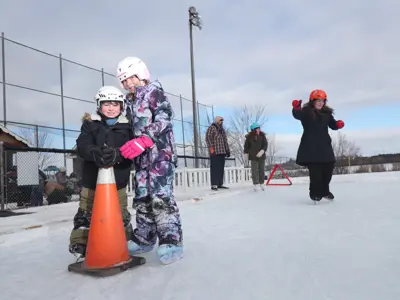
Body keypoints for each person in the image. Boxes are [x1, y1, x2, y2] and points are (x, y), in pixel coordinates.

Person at [116, 56, 183, 265]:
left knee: (160, 198)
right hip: (142, 158)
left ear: (142, 75)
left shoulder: (155, 92)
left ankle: (171, 240)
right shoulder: (129, 101)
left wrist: (146, 139)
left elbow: (164, 119)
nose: (128, 83)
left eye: (131, 78)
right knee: (142, 197)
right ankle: (144, 238)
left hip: (160, 155)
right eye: (124, 80)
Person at [68, 85, 134, 258]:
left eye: (115, 104)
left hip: (118, 180)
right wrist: (94, 152)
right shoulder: (90, 125)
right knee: (86, 211)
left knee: (119, 212)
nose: (111, 108)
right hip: (91, 180)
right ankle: (80, 243)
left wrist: (118, 154)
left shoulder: (128, 127)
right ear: (99, 105)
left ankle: (124, 240)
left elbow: (132, 150)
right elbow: (82, 145)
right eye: (106, 104)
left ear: (121, 106)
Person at [292, 89, 345, 203]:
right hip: (311, 147)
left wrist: (337, 124)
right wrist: (296, 108)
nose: (320, 103)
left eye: (322, 101)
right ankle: (315, 193)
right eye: (318, 100)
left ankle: (325, 191)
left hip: (324, 146)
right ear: (313, 101)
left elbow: (332, 124)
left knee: (329, 168)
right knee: (315, 172)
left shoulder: (327, 113)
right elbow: (298, 115)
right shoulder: (306, 112)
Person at [205, 116, 230, 191]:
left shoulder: (222, 130)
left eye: (222, 121)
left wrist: (227, 150)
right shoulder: (212, 128)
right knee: (215, 168)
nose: (222, 122)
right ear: (217, 121)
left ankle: (219, 183)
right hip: (215, 152)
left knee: (220, 168)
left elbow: (225, 140)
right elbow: (208, 138)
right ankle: (214, 184)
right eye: (220, 120)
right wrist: (211, 149)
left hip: (222, 151)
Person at [243, 122, 268, 191]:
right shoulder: (249, 137)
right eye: (257, 129)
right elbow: (246, 146)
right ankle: (256, 184)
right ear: (253, 130)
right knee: (254, 171)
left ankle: (262, 183)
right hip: (253, 156)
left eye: (259, 128)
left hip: (261, 156)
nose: (258, 130)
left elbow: (265, 145)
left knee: (261, 170)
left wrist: (262, 151)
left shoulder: (262, 136)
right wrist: (246, 154)